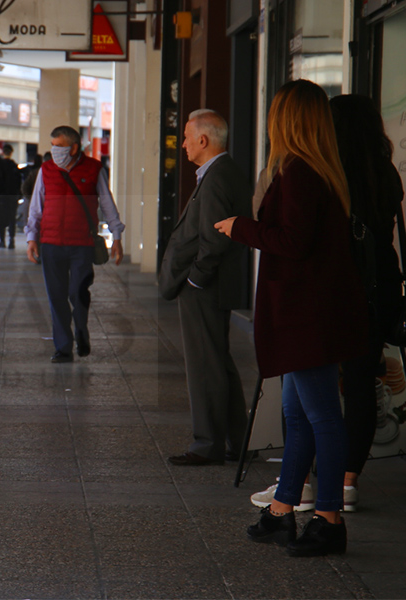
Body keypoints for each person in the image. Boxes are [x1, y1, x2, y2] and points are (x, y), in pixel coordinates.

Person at [215, 79, 368, 557]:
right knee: (296, 415)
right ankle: (283, 510)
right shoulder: (311, 169)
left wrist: (241, 227)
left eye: (274, 112)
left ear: (287, 120)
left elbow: (293, 241)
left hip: (306, 315)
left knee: (320, 415)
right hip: (305, 312)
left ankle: (328, 519)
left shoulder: (300, 172)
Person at [159, 109, 251, 467]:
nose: (181, 144)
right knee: (217, 362)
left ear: (203, 140)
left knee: (205, 365)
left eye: (185, 137)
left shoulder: (216, 177)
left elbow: (214, 239)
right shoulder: (218, 173)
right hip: (212, 285)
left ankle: (207, 444)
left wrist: (196, 278)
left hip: (206, 287)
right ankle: (236, 440)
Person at [26, 126, 125, 363]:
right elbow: (36, 206)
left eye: (58, 146)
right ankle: (63, 348)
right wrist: (32, 237)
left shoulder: (93, 169)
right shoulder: (47, 169)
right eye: (52, 145)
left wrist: (117, 236)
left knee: (78, 292)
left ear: (73, 147)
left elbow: (107, 202)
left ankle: (81, 329)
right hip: (51, 243)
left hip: (82, 243)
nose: (54, 151)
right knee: (56, 296)